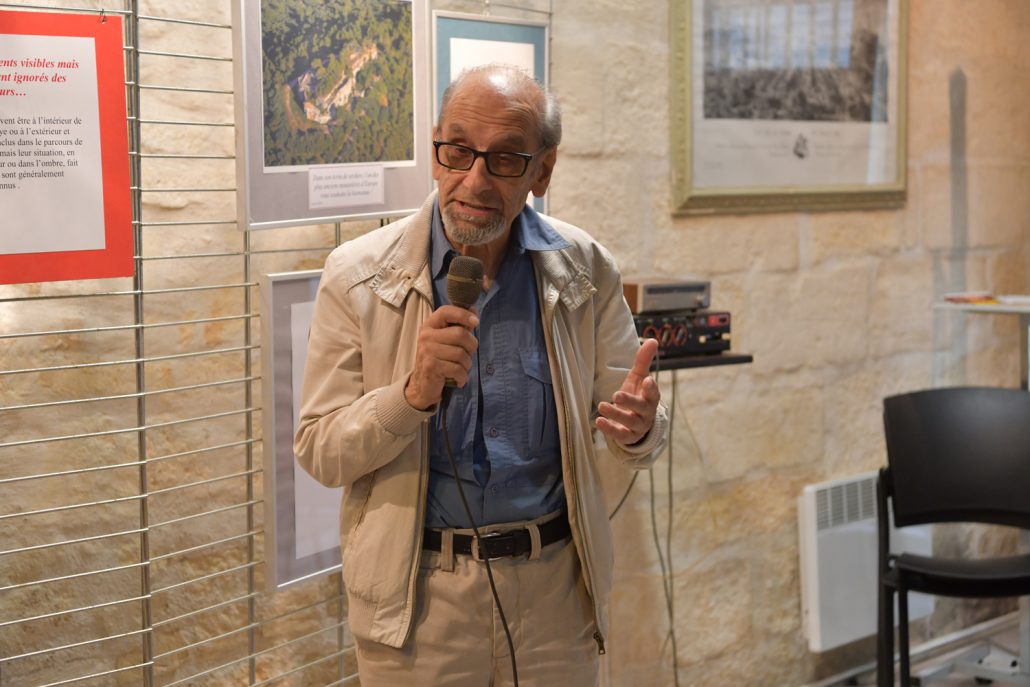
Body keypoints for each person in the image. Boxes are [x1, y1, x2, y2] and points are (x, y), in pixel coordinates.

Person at [294, 63, 668, 687]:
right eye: (459, 151)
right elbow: (321, 451)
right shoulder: (357, 275)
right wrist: (410, 396)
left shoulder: (584, 268)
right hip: (419, 605)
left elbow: (639, 430)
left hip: (554, 596)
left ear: (542, 171)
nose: (474, 181)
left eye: (504, 160)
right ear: (435, 150)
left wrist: (640, 428)